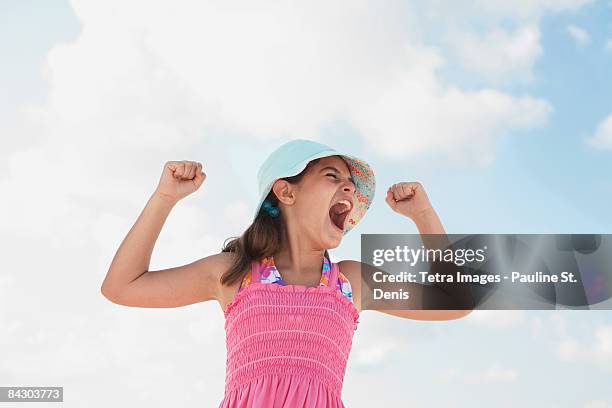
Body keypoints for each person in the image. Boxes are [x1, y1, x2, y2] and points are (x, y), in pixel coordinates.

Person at [101, 139, 473, 407]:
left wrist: (423, 215)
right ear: (286, 192)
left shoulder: (350, 283)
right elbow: (122, 286)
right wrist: (164, 198)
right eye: (332, 176)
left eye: (350, 184)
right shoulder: (235, 275)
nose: (348, 186)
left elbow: (455, 301)